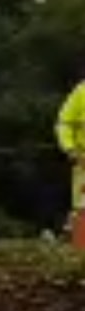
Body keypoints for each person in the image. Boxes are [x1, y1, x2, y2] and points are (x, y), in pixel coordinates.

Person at [59, 64, 85, 236]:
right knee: (82, 206)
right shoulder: (81, 91)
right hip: (83, 158)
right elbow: (64, 123)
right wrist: (70, 148)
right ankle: (80, 248)